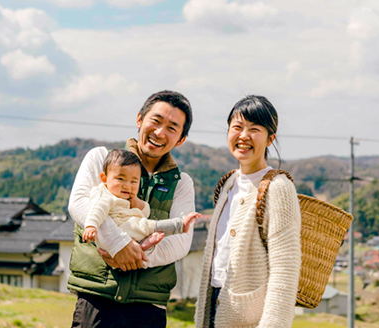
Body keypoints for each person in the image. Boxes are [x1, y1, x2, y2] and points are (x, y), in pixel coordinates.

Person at [68, 90, 196, 328]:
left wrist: (135, 256)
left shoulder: (181, 184)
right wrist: (117, 244)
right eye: (156, 121)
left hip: (148, 307)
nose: (159, 133)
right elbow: (79, 204)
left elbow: (181, 241)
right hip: (97, 300)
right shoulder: (102, 159)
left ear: (180, 139)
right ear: (139, 119)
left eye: (172, 128)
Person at [194, 95, 302, 328]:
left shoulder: (279, 187)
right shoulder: (228, 183)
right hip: (214, 303)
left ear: (270, 139)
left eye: (254, 129)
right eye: (237, 127)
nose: (243, 136)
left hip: (249, 317)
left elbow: (285, 269)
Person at [82, 148, 200, 250]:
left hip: (132, 227)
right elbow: (97, 209)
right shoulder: (104, 194)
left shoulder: (128, 197)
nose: (127, 186)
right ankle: (178, 226)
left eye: (133, 181)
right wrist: (91, 225)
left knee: (146, 224)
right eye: (121, 179)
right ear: (104, 178)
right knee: (147, 226)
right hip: (120, 229)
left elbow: (145, 213)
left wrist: (140, 205)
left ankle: (144, 244)